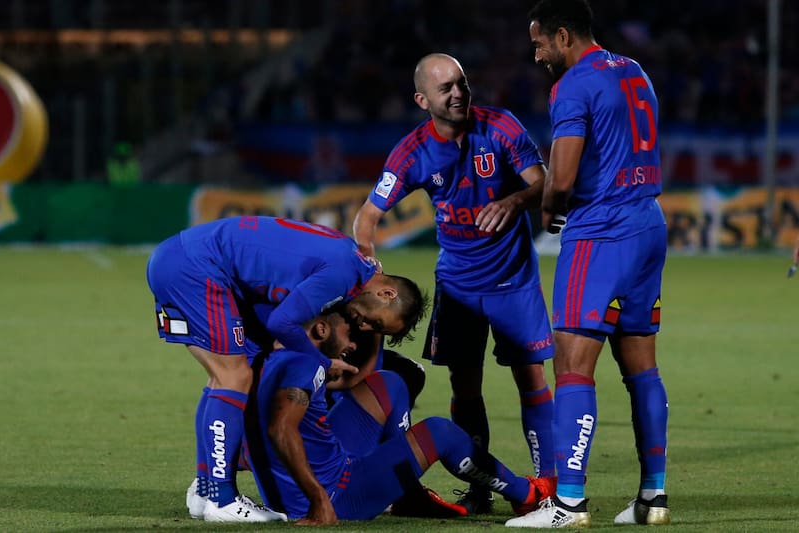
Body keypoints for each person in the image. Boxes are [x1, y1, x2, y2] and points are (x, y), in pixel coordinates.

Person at [353, 52, 556, 514]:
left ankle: (548, 485)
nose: (459, 93)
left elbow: (544, 184)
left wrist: (515, 201)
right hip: (458, 285)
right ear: (422, 100)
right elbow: (367, 217)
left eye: (462, 82)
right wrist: (369, 267)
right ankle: (481, 484)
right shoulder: (411, 153)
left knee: (531, 377)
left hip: (512, 279)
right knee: (465, 387)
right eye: (446, 88)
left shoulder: (501, 126)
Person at [507, 0, 671, 528]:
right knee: (642, 368)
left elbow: (561, 178)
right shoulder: (633, 70)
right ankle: (653, 497)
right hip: (648, 225)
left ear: (562, 36)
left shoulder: (572, 85)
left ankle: (569, 503)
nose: (537, 56)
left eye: (539, 44)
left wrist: (549, 209)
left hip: (600, 233)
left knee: (572, 367)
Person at [146, 215, 426, 522]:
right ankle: (222, 499)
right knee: (232, 376)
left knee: (227, 376)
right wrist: (321, 362)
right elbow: (282, 322)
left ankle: (207, 489)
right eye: (377, 323)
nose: (365, 327)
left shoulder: (352, 263)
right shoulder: (343, 274)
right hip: (196, 267)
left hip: (188, 260)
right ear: (387, 294)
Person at [245, 309, 556, 525]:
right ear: (321, 329)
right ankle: (527, 494)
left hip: (322, 471)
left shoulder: (278, 351)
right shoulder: (305, 366)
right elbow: (280, 428)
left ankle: (406, 494)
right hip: (334, 496)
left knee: (387, 383)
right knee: (439, 433)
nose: (352, 344)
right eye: (349, 334)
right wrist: (319, 501)